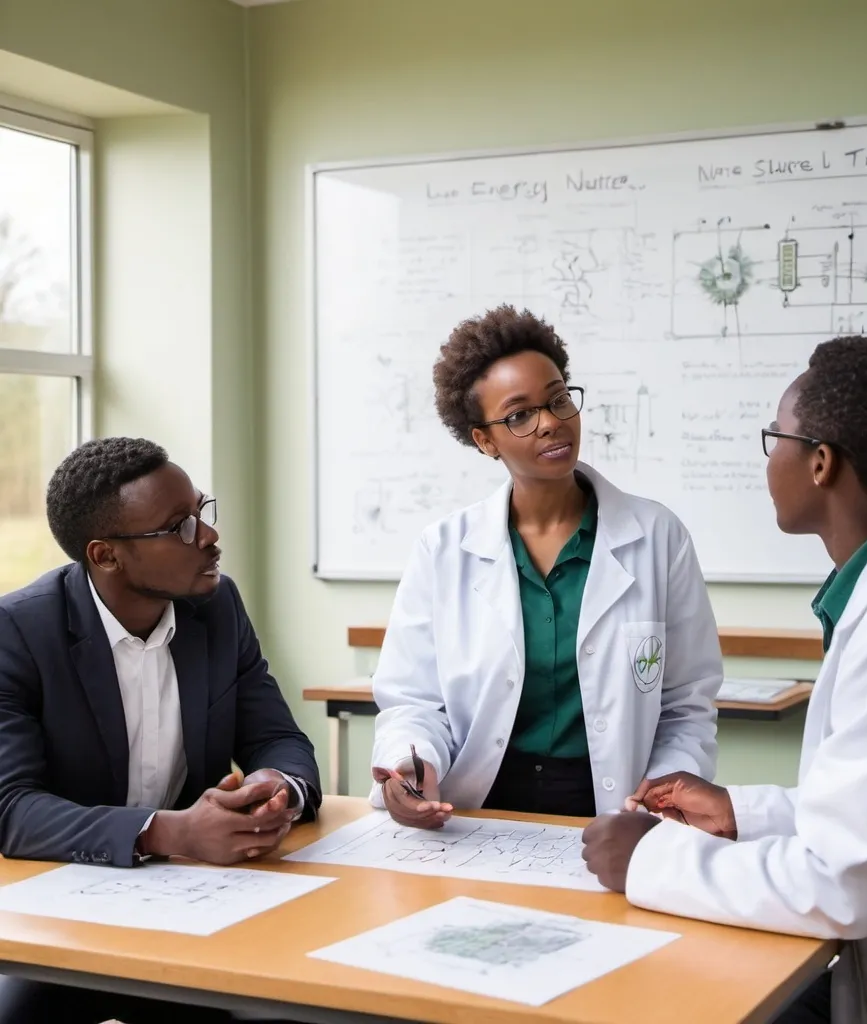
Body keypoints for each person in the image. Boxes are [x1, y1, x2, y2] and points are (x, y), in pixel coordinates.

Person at [581, 337, 867, 1024]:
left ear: (820, 462)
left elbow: (841, 882)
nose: (770, 461)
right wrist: (739, 813)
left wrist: (648, 860)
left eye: (775, 438)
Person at [0, 436, 322, 1024]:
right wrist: (166, 832)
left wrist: (278, 790)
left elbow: (278, 738)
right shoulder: (19, 632)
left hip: (199, 903)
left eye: (202, 511)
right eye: (179, 527)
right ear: (105, 555)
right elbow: (12, 809)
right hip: (67, 911)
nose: (208, 536)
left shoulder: (217, 607)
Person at [370, 305, 723, 828]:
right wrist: (408, 766)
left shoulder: (657, 538)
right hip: (476, 807)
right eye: (519, 415)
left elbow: (685, 703)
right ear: (484, 440)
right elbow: (414, 701)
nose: (552, 422)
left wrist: (667, 790)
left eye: (558, 399)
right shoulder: (443, 550)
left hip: (615, 806)